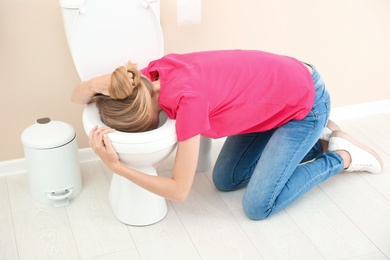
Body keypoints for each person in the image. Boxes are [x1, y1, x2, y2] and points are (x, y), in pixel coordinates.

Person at [71, 49, 383, 220]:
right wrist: (109, 84)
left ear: (145, 116)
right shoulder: (148, 76)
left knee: (258, 207)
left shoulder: (187, 103)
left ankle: (340, 156)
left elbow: (179, 191)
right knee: (225, 180)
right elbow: (76, 95)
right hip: (274, 101)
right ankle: (320, 141)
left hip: (306, 102)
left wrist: (116, 168)